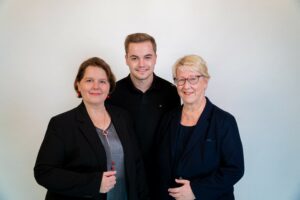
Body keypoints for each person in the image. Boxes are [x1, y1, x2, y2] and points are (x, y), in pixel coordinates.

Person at [34, 57, 148, 200]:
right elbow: (44, 172)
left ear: (109, 87)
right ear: (78, 85)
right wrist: (93, 183)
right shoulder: (62, 124)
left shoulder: (123, 117)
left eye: (102, 81)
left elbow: (136, 164)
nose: (96, 86)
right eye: (89, 80)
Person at [155, 55, 244, 200]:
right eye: (181, 80)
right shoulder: (168, 118)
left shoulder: (224, 122)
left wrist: (196, 190)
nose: (186, 86)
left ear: (205, 81)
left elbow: (234, 169)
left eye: (193, 79)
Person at [106, 33, 181, 193]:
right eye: (134, 58)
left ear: (155, 58)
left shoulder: (172, 93)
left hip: (162, 178)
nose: (141, 64)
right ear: (126, 59)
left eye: (147, 57)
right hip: (125, 177)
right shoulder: (112, 93)